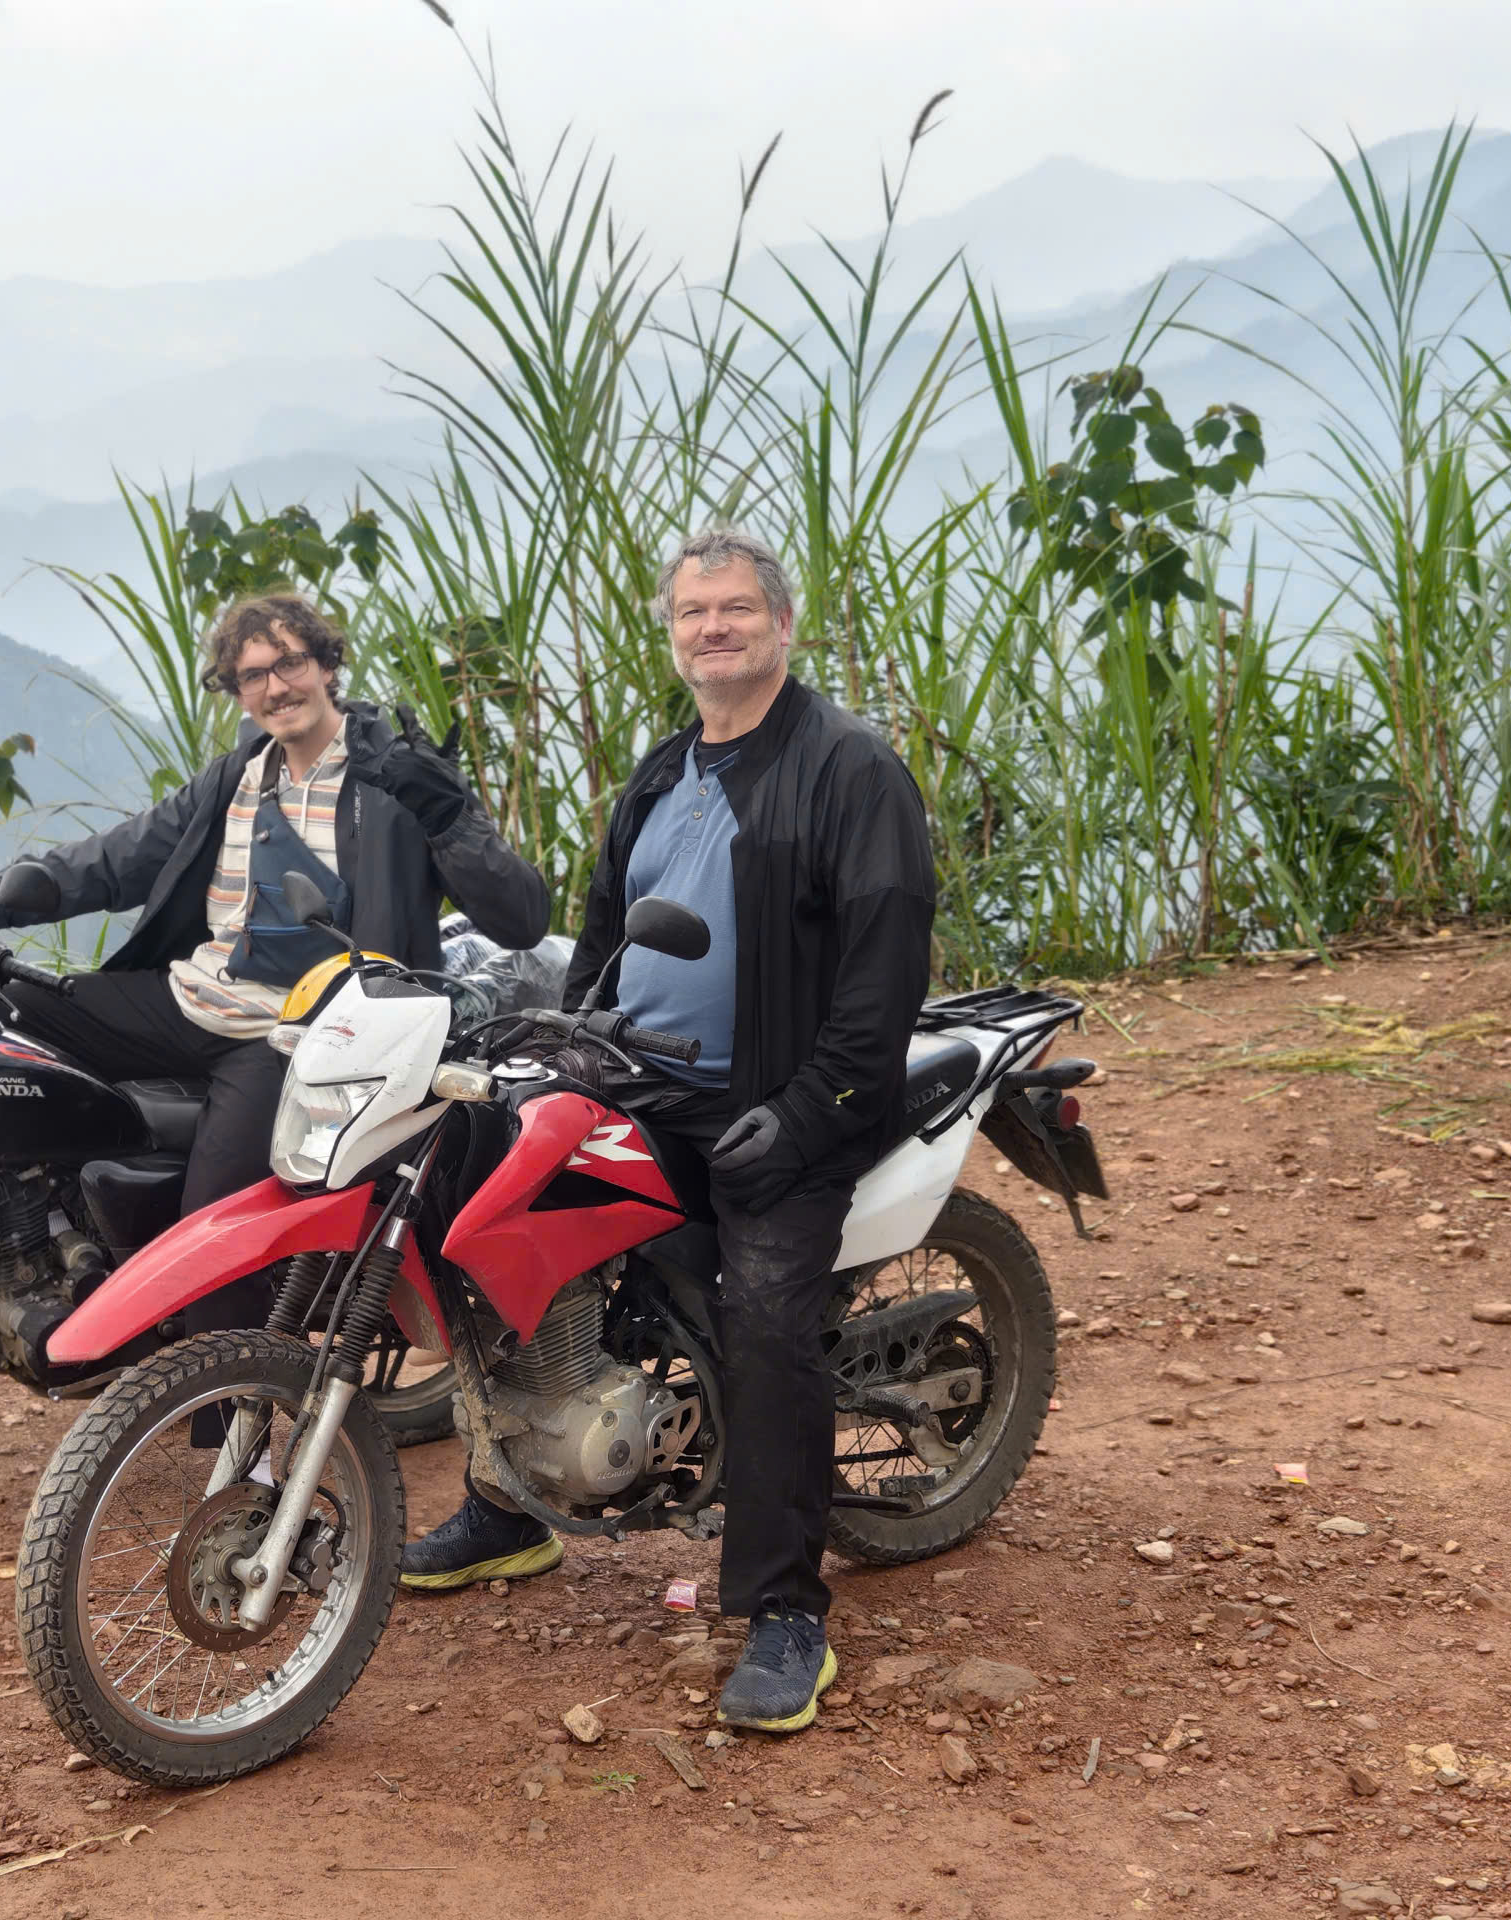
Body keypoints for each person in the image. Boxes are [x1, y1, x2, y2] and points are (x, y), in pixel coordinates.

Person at [397, 526, 937, 1737]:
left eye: (738, 608)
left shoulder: (851, 772)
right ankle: (507, 1502)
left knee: (763, 1318)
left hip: (786, 1098)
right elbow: (600, 935)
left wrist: (801, 1116)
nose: (715, 628)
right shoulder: (662, 770)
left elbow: (881, 982)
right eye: (694, 613)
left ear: (782, 626)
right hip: (642, 1078)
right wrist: (563, 1039)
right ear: (673, 634)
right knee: (500, 1238)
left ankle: (787, 1611)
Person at [0, 589, 550, 1331]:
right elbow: (108, 862)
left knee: (213, 1240)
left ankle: (242, 1435)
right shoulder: (237, 776)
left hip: (303, 1035)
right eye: (253, 674)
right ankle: (51, 1246)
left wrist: (447, 816)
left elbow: (521, 916)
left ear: (328, 664)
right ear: (235, 690)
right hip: (195, 1000)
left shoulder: (394, 778)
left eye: (292, 663)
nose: (276, 687)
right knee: (0, 1020)